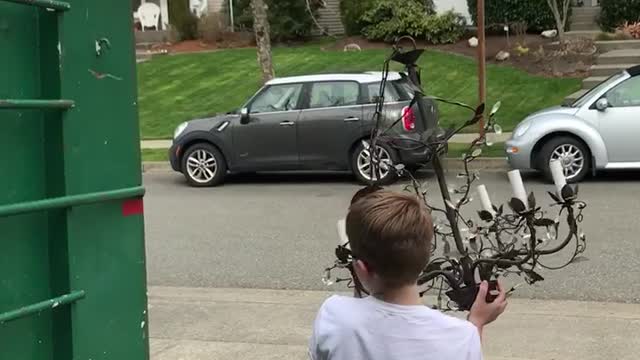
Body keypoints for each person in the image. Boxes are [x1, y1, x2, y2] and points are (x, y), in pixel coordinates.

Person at [309, 189, 507, 360]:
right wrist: (477, 322)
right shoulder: (461, 336)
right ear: (426, 257)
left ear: (361, 268)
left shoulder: (334, 315)